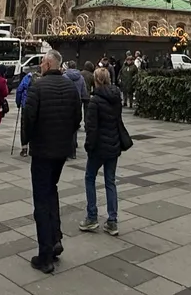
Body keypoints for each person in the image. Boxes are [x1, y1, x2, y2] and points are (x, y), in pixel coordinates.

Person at [21, 50, 83, 274]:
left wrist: (27, 141)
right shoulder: (70, 88)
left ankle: (45, 255)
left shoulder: (38, 87)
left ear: (47, 64)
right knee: (52, 191)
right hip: (61, 151)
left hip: (43, 152)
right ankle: (56, 239)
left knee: (42, 199)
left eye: (41, 63)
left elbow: (29, 117)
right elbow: (77, 118)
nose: (40, 66)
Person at [81, 67, 124, 235]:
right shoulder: (116, 97)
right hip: (113, 144)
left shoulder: (95, 101)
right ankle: (112, 220)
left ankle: (92, 217)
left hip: (99, 147)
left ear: (97, 81)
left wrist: (89, 147)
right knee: (110, 181)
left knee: (90, 178)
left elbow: (91, 128)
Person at [63, 60, 89, 159]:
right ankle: (73, 151)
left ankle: (67, 150)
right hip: (77, 102)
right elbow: (84, 91)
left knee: (66, 127)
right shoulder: (80, 77)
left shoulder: (64, 77)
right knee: (74, 126)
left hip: (66, 103)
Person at [16, 66, 35, 157]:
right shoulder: (42, 78)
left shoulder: (27, 78)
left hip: (26, 105)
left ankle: (24, 149)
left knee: (24, 126)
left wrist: (18, 102)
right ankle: (33, 148)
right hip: (37, 105)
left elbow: (19, 90)